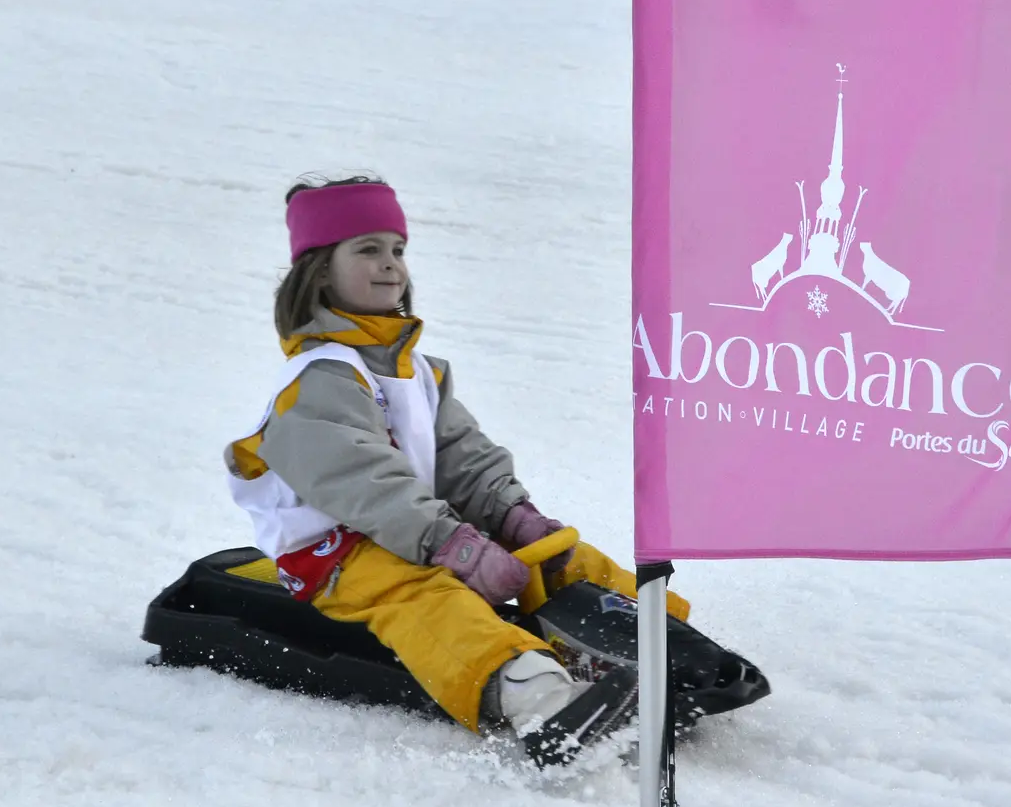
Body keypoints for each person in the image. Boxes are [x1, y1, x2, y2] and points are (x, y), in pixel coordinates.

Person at [224, 175, 684, 767]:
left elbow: (462, 457)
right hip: (336, 552)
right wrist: (452, 546)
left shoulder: (420, 372)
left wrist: (512, 517)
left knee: (556, 558)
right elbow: (366, 484)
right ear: (318, 270)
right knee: (424, 594)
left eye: (397, 250)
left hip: (421, 529)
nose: (391, 266)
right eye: (367, 250)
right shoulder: (315, 382)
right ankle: (532, 695)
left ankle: (664, 643)